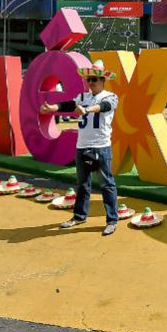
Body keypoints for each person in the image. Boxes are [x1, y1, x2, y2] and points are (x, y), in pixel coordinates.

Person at [40, 60, 120, 235]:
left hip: (101, 147)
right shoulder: (83, 96)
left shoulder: (110, 96)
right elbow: (69, 104)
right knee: (83, 184)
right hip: (82, 146)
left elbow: (105, 107)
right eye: (88, 79)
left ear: (102, 80)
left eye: (94, 79)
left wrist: (88, 110)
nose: (90, 83)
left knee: (107, 184)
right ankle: (79, 216)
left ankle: (112, 220)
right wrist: (54, 107)